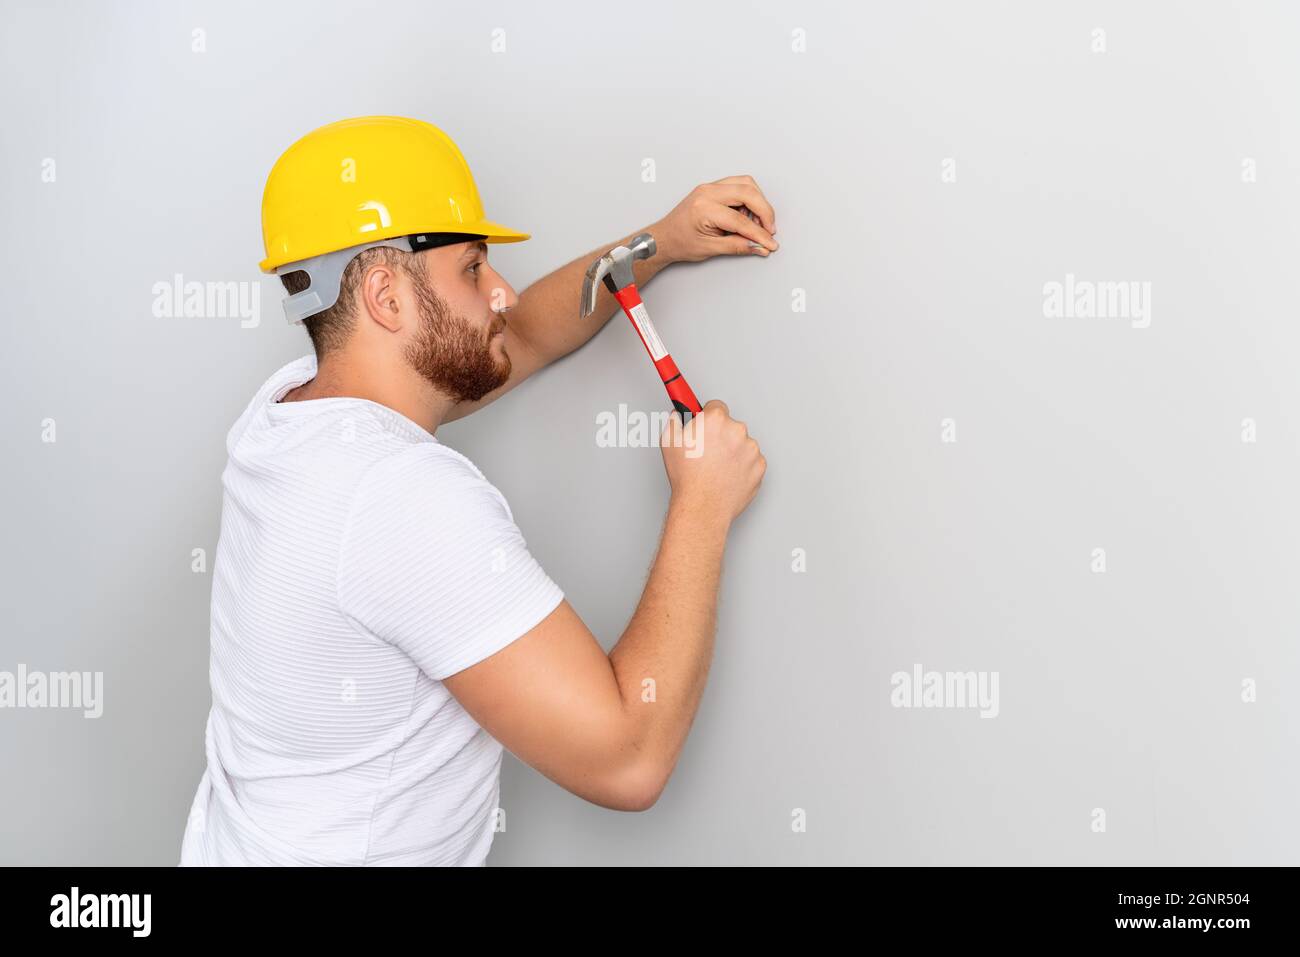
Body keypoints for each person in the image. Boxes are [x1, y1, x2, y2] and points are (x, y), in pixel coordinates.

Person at [179, 115, 775, 866]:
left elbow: (516, 337)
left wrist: (655, 244)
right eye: (472, 269)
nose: (503, 293)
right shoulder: (399, 495)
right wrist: (704, 503)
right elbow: (628, 757)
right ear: (386, 295)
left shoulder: (288, 416)